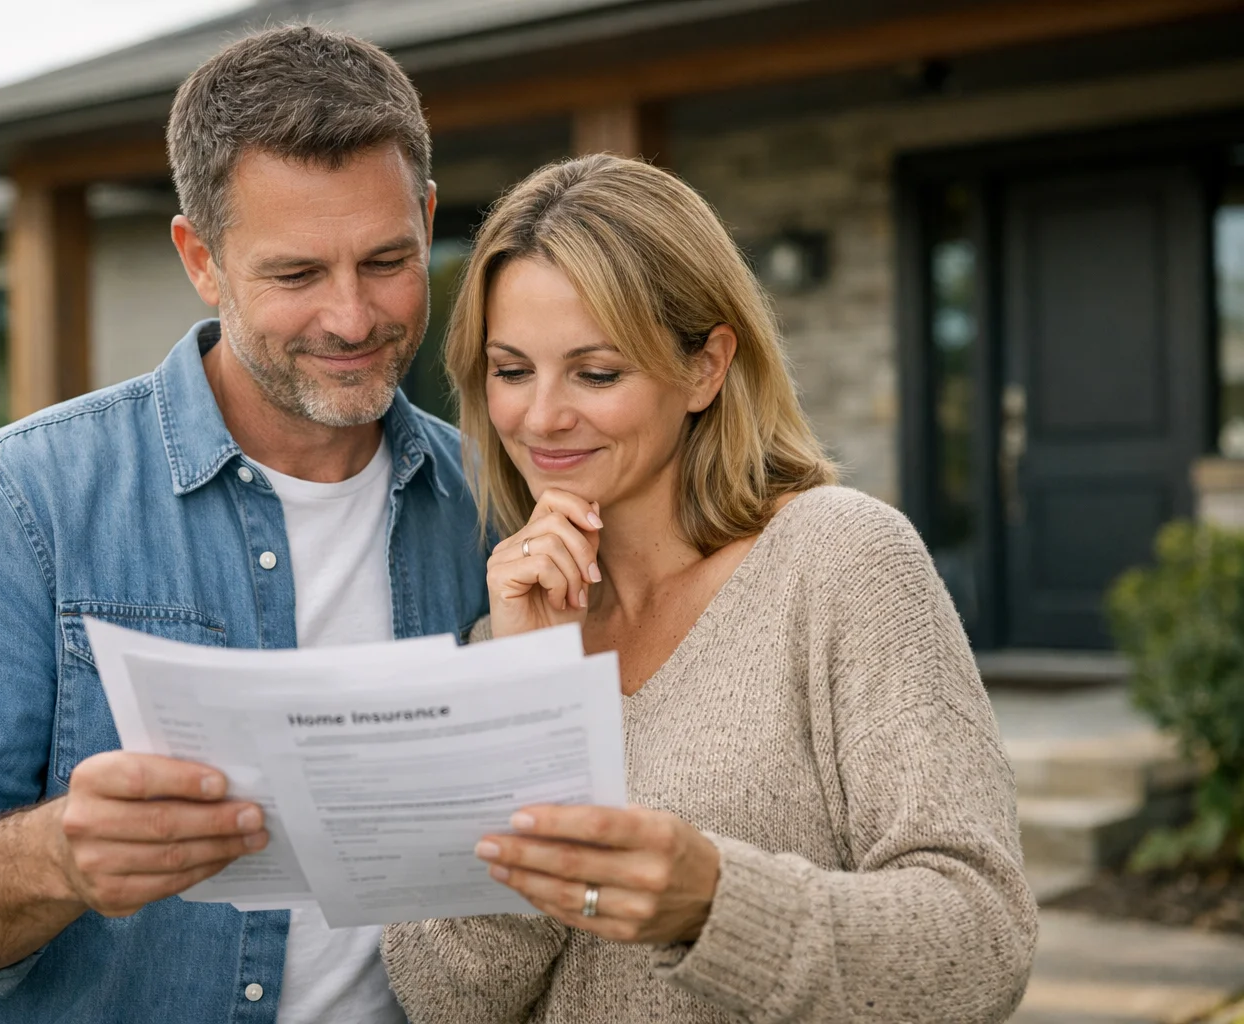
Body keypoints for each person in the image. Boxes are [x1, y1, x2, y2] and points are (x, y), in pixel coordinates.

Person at [0, 26, 487, 1024]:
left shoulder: (490, 506)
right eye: (298, 275)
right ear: (201, 259)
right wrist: (54, 856)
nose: (352, 318)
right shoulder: (22, 497)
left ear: (428, 218)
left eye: (389, 260)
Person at [381, 154, 1037, 1023]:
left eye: (597, 372)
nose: (540, 418)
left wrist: (712, 903)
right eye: (510, 371)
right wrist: (530, 688)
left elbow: (978, 941)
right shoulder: (500, 639)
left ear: (706, 366)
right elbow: (443, 998)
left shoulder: (840, 562)